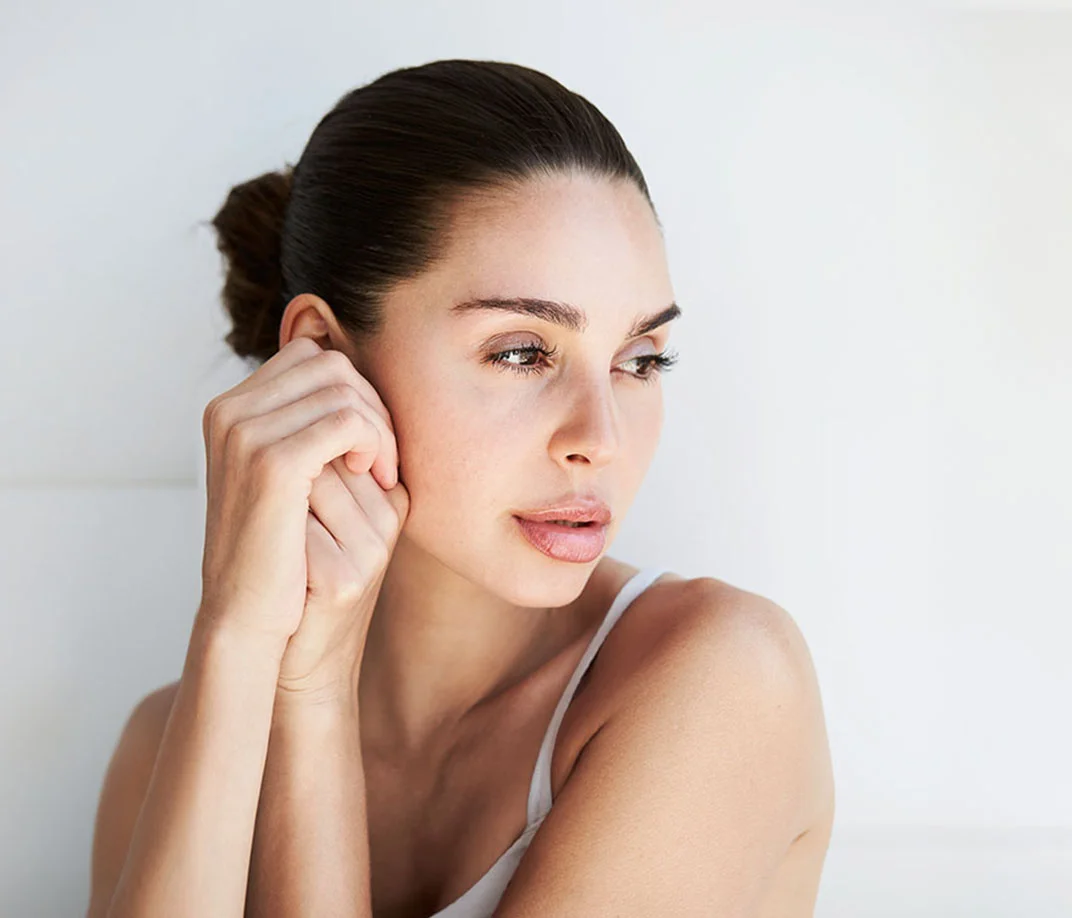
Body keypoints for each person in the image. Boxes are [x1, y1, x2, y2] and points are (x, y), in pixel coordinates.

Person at [86, 58, 834, 918]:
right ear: (323, 356)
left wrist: (314, 699)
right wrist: (238, 636)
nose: (601, 439)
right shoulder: (166, 747)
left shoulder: (718, 679)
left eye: (641, 360)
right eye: (522, 352)